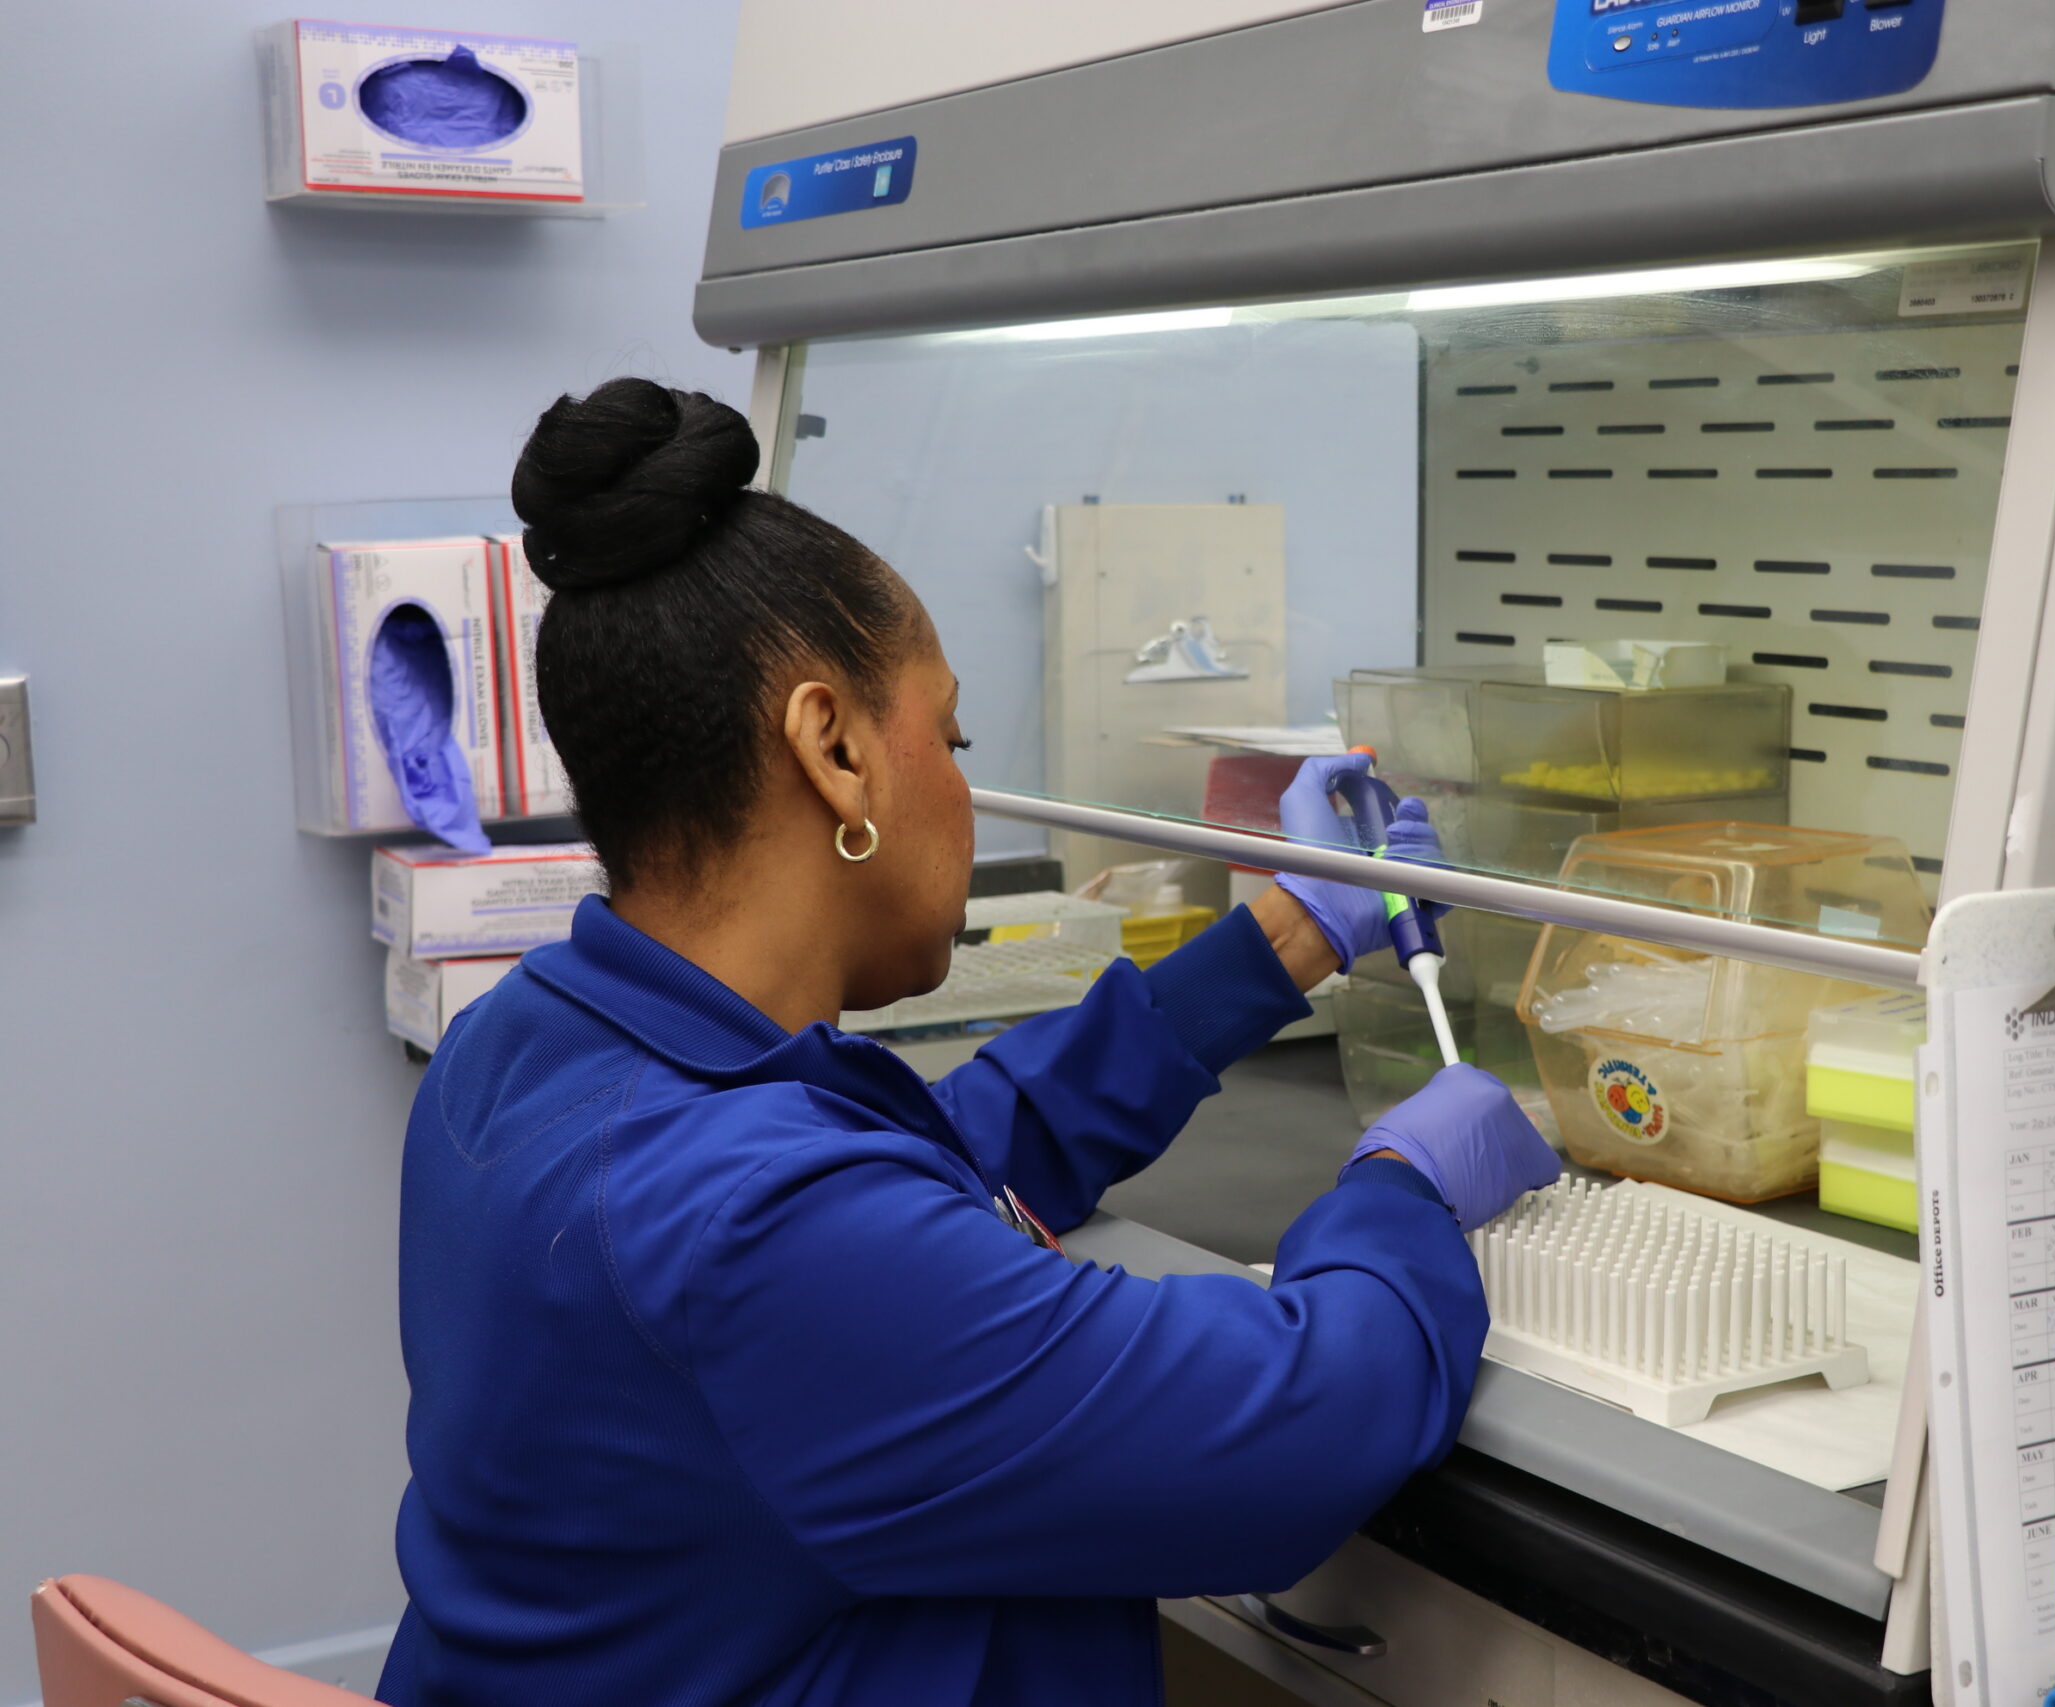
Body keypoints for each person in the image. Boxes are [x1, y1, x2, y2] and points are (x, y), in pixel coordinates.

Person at [375, 378, 1560, 1707]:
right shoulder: (756, 1231)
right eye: (951, 734)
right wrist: (1399, 1192)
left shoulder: (527, 1045)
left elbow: (937, 1168)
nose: (961, 782)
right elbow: (1302, 1425)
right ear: (833, 749)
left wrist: (1283, 937)